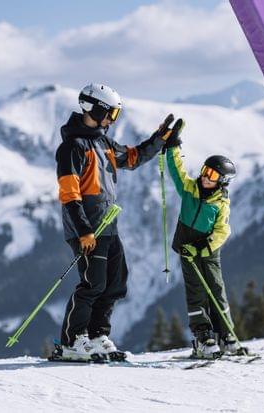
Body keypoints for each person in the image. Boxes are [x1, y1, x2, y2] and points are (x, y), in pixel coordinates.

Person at [55, 83, 182, 361]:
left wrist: (160, 139)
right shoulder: (72, 148)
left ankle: (98, 335)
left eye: (115, 115)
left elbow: (133, 157)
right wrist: (84, 230)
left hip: (108, 226)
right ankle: (71, 342)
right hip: (87, 229)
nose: (112, 120)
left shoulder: (104, 143)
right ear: (94, 109)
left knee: (115, 282)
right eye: (110, 114)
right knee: (93, 284)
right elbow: (69, 194)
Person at [164, 132, 241, 359]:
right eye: (206, 171)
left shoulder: (220, 205)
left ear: (223, 181)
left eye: (213, 175)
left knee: (216, 290)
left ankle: (226, 334)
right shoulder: (190, 189)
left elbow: (222, 232)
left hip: (208, 253)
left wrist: (203, 248)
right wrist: (173, 147)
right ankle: (203, 336)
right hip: (188, 252)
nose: (206, 177)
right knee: (196, 292)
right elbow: (176, 170)